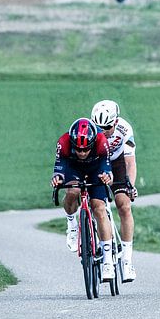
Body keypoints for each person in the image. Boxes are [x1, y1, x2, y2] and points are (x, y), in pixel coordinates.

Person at [51, 118, 116, 281]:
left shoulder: (101, 141)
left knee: (99, 207)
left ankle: (108, 260)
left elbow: (107, 167)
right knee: (72, 191)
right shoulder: (64, 142)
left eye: (85, 149)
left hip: (96, 168)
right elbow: (59, 168)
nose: (81, 153)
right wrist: (58, 178)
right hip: (74, 169)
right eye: (78, 149)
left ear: (92, 143)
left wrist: (107, 177)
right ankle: (72, 225)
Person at [91, 99, 138, 282]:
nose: (102, 132)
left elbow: (130, 163)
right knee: (97, 205)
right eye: (99, 127)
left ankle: (127, 261)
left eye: (107, 127)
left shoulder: (125, 129)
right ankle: (102, 251)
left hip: (117, 163)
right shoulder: (91, 130)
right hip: (96, 163)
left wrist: (130, 186)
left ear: (116, 121)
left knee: (124, 205)